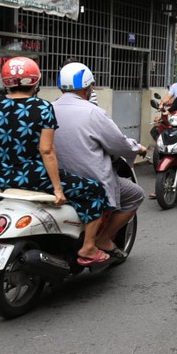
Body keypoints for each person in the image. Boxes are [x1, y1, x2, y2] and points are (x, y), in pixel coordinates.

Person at [0, 57, 112, 265]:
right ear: (35, 81)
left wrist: (4, 133)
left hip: (1, 176)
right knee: (95, 191)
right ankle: (89, 247)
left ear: (6, 81)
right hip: (35, 178)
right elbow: (47, 151)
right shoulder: (42, 107)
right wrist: (57, 189)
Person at [53, 62, 147, 260]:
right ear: (89, 88)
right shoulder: (93, 112)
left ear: (61, 87)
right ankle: (103, 239)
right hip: (89, 180)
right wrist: (137, 147)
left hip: (56, 180)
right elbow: (118, 144)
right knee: (135, 194)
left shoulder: (48, 109)